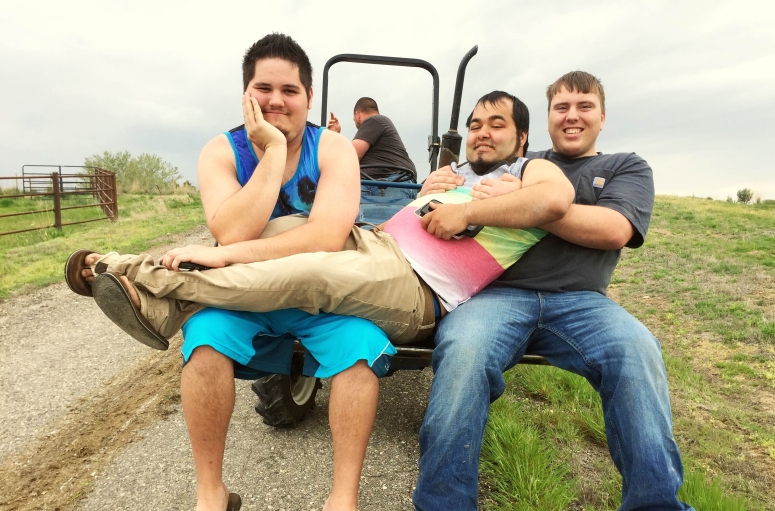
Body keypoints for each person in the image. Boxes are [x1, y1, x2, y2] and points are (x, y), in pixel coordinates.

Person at [73, 33, 406, 511]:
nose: (276, 100)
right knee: (203, 342)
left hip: (316, 298)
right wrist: (271, 154)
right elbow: (232, 228)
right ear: (246, 94)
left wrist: (228, 256)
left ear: (309, 96)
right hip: (244, 303)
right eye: (263, 88)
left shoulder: (332, 150)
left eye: (289, 90)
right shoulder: (222, 152)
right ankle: (212, 497)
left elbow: (326, 237)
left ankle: (341, 507)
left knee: (361, 350)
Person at [398, 72, 736, 511]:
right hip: (495, 298)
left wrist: (531, 204)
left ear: (602, 116)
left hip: (582, 303)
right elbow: (451, 203)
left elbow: (613, 230)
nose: (572, 115)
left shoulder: (624, 167)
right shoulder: (521, 164)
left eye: (583, 105)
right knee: (462, 354)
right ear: (545, 118)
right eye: (560, 106)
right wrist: (435, 187)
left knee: (636, 349)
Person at [66, 93, 573, 349]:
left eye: (497, 125)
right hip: (376, 243)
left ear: (522, 138)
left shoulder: (530, 170)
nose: (482, 133)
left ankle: (133, 273)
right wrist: (428, 191)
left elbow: (556, 199)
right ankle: (160, 310)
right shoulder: (456, 170)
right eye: (476, 124)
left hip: (419, 289)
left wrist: (467, 211)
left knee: (305, 273)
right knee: (282, 231)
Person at [327, 97, 417, 183]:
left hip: (390, 181)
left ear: (357, 115)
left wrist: (334, 136)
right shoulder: (380, 123)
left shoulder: (373, 120)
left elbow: (351, 155)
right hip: (394, 180)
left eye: (354, 120)